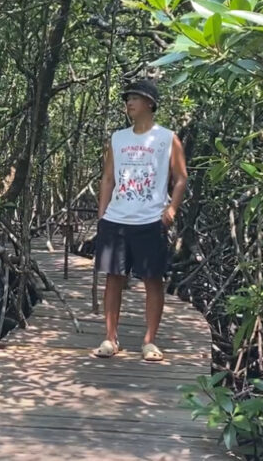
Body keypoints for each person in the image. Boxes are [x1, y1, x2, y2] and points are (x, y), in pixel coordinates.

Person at [91, 80, 187, 361]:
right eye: (128, 98)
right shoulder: (118, 138)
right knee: (113, 278)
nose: (129, 103)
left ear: (150, 103)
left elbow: (181, 178)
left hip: (150, 219)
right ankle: (110, 338)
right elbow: (108, 178)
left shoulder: (167, 138)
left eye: (135, 98)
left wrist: (172, 209)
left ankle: (149, 341)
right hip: (116, 219)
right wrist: (102, 216)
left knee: (152, 279)